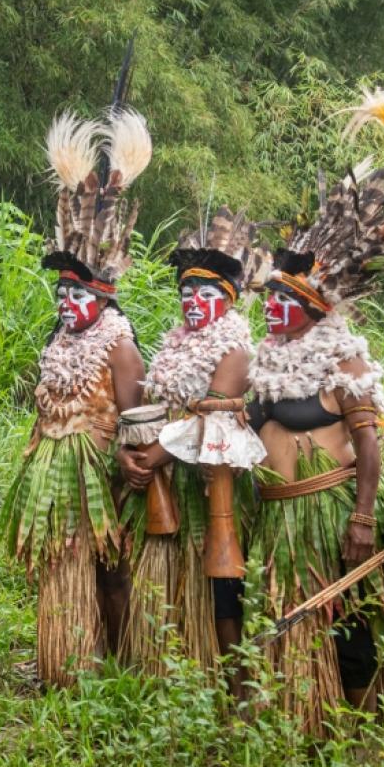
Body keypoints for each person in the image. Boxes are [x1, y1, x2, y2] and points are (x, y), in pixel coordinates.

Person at [0, 107, 151, 687]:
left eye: (76, 294)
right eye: (60, 292)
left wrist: (126, 470)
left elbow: (136, 415)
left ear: (102, 299)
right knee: (58, 566)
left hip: (102, 471)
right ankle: (63, 656)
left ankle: (120, 657)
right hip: (54, 469)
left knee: (111, 570)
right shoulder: (59, 337)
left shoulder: (120, 343)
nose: (65, 303)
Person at [243, 165, 384, 736]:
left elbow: (368, 442)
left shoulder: (342, 360)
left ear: (315, 307)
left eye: (282, 299)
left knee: (346, 618)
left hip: (329, 513)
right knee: (285, 614)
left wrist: (362, 517)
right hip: (278, 515)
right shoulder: (265, 359)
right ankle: (300, 717)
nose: (269, 308)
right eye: (269, 298)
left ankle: (358, 726)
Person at [116, 210, 267, 685]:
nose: (194, 303)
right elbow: (145, 407)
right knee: (163, 577)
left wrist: (155, 454)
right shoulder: (173, 345)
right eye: (186, 294)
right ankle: (170, 671)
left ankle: (233, 684)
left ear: (229, 301)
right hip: (162, 479)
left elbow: (214, 419)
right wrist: (129, 452)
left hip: (208, 481)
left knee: (219, 582)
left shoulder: (236, 349)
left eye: (206, 295)